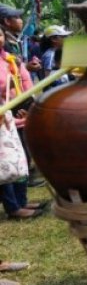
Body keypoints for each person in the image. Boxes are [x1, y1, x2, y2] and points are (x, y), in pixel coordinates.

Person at [0, 27, 47, 220]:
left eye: (0, 34)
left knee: (19, 160)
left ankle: (21, 201)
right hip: (2, 117)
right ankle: (13, 208)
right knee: (3, 164)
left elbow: (22, 84)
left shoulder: (10, 59)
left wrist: (25, 105)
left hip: (11, 117)